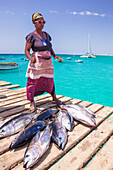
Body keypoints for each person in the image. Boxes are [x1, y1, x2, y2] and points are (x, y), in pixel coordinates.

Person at [25, 13, 63, 112]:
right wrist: (30, 58)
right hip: (37, 61)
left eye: (43, 22)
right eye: (40, 22)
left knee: (49, 79)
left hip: (47, 61)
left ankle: (54, 98)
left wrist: (54, 55)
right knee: (33, 81)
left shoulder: (46, 35)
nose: (42, 24)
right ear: (34, 22)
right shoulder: (31, 36)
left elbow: (49, 47)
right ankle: (32, 102)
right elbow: (27, 50)